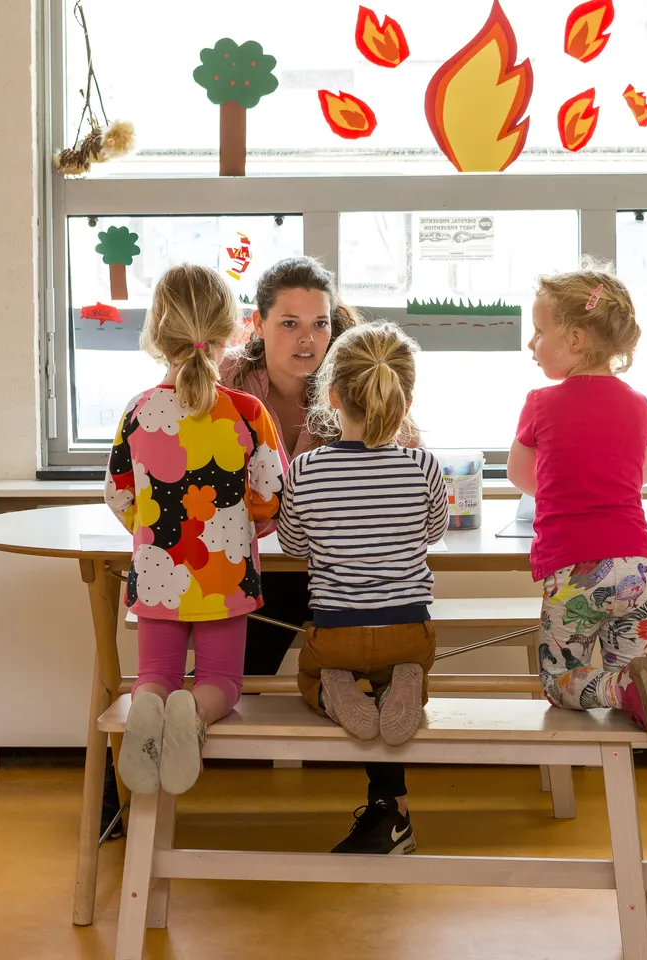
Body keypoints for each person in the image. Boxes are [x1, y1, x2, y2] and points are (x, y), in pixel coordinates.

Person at [222, 258, 421, 853]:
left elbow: (403, 445)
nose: (307, 338)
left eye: (319, 322)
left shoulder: (353, 375)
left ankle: (391, 812)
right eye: (289, 323)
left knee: (375, 637)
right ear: (257, 323)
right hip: (260, 567)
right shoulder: (225, 382)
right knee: (231, 658)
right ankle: (134, 782)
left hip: (333, 572)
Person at [506, 266, 647, 787]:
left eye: (539, 332)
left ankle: (622, 690)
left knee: (562, 681)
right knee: (629, 663)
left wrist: (562, 488)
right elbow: (644, 470)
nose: (530, 344)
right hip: (636, 566)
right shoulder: (637, 403)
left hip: (574, 570)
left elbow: (519, 475)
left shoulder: (541, 403)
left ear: (576, 339)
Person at [103, 264, 286, 796]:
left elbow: (118, 494)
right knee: (222, 683)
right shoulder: (248, 412)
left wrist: (151, 530)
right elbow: (273, 494)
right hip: (224, 576)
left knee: (152, 676)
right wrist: (249, 521)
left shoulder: (137, 412)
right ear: (231, 330)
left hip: (156, 575)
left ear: (157, 333)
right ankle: (196, 710)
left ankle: (152, 706)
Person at [277, 322, 448, 770]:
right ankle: (403, 684)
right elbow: (433, 533)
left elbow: (292, 544)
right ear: (405, 402)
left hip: (336, 634)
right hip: (409, 632)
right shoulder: (423, 465)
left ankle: (328, 688)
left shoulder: (305, 469)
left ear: (332, 396)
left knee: (308, 671)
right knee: (410, 661)